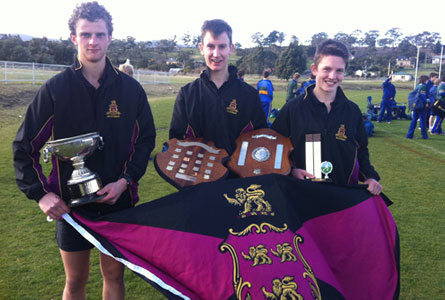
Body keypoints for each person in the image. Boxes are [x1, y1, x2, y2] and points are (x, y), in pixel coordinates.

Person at [12, 2, 156, 299]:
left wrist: (125, 181)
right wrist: (41, 194)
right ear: (73, 38)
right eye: (86, 34)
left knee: (114, 276)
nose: (93, 41)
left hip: (118, 201)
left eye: (100, 34)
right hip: (71, 207)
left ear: (110, 38)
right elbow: (23, 146)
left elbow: (145, 141)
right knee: (76, 281)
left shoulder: (131, 90)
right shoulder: (55, 90)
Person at [271, 39, 382, 195]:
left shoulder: (352, 111)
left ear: (345, 71)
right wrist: (291, 171)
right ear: (315, 69)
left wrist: (370, 177)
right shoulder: (293, 108)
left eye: (339, 70)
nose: (332, 76)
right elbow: (275, 148)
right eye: (327, 69)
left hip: (342, 197)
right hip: (301, 196)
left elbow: (361, 150)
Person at [169, 19, 267, 156]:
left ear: (231, 48)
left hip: (238, 176)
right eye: (210, 46)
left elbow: (260, 140)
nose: (216, 54)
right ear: (202, 48)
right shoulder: (187, 94)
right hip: (197, 174)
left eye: (221, 46)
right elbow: (177, 140)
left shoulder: (249, 95)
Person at [406, 75, 429, 139]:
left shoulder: (417, 85)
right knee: (422, 121)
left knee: (414, 119)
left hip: (415, 104)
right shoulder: (423, 86)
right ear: (425, 80)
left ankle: (409, 135)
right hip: (421, 105)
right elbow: (423, 96)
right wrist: (426, 103)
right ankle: (424, 136)